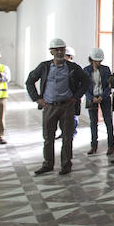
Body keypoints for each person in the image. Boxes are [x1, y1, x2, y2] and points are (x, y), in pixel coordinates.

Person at [25, 38, 90, 175]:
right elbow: (30, 81)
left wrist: (76, 97)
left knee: (67, 137)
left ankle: (66, 165)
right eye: (57, 49)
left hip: (67, 106)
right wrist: (37, 99)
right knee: (48, 137)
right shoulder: (44, 67)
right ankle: (48, 164)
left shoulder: (72, 67)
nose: (60, 52)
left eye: (62, 49)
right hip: (49, 106)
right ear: (51, 51)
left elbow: (86, 81)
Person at [83, 48, 114, 156]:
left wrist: (103, 96)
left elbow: (109, 85)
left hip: (104, 98)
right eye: (96, 61)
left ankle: (111, 145)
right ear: (91, 59)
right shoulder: (86, 70)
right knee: (93, 122)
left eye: (100, 61)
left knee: (108, 121)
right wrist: (91, 98)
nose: (98, 63)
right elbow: (84, 86)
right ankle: (94, 146)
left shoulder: (106, 69)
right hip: (92, 98)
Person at [56, 47, 80, 140]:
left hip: (73, 97)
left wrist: (78, 95)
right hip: (62, 98)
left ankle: (72, 132)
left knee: (73, 116)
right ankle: (63, 132)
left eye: (65, 56)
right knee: (62, 117)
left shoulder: (75, 68)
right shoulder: (60, 67)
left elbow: (81, 83)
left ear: (70, 57)